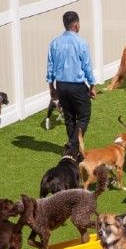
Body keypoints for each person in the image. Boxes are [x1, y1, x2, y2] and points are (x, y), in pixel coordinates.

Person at [46, 11, 96, 152]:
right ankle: (73, 145)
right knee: (84, 116)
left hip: (61, 86)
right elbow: (87, 66)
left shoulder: (54, 43)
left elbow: (50, 67)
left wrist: (51, 87)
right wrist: (92, 86)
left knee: (69, 118)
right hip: (77, 86)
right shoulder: (81, 43)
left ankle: (73, 153)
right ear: (76, 24)